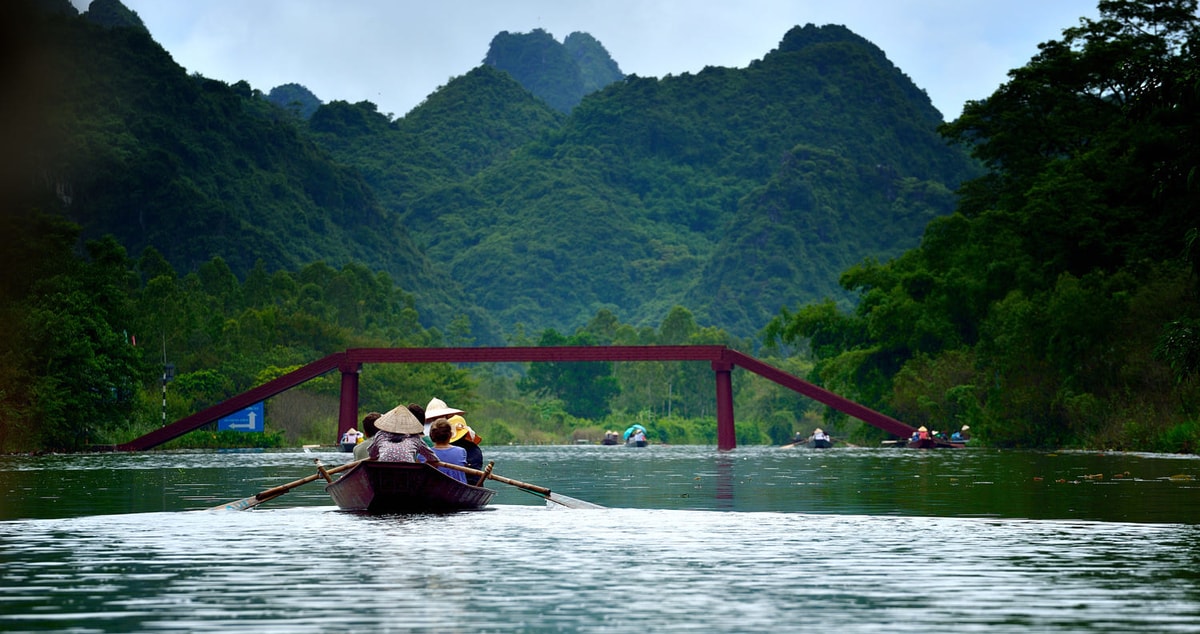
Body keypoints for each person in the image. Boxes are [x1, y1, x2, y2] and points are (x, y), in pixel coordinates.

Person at [369, 404, 440, 464]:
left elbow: (372, 455)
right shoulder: (415, 438)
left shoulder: (380, 435)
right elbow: (433, 458)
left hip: (383, 475)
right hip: (407, 476)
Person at [426, 418, 469, 483]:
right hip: (457, 490)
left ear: (432, 436)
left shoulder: (424, 454)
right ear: (450, 435)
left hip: (432, 490)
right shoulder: (461, 451)